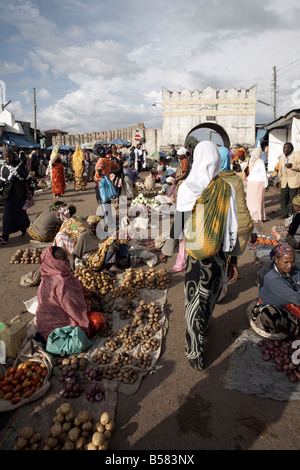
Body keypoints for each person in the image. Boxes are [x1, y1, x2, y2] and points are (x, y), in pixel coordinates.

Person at [176, 141, 238, 370]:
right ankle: (204, 324)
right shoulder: (226, 188)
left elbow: (180, 224)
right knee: (210, 296)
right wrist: (232, 257)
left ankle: (195, 353)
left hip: (195, 254)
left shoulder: (188, 187)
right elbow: (232, 224)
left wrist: (173, 248)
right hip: (218, 254)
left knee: (193, 301)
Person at [36, 246, 106, 342]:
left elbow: (79, 289)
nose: (68, 261)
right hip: (59, 332)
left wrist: (91, 293)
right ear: (55, 263)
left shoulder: (48, 276)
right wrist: (91, 306)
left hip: (44, 326)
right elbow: (75, 309)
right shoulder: (62, 283)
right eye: (63, 260)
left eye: (67, 258)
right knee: (98, 320)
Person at [219, 146, 255, 283]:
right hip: (238, 225)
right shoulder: (236, 179)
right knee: (230, 258)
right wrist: (252, 227)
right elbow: (242, 206)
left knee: (219, 261)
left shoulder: (212, 180)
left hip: (221, 227)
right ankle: (230, 269)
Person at [250, 243, 300, 340]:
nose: (290, 265)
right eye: (286, 262)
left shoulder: (294, 270)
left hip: (292, 303)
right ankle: (295, 335)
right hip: (278, 308)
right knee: (269, 315)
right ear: (276, 260)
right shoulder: (272, 279)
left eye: (292, 262)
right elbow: (297, 298)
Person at [0, 147, 33, 244]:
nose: (8, 159)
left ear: (13, 155)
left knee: (20, 212)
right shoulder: (3, 166)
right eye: (6, 157)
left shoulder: (19, 165)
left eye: (9, 156)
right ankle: (5, 236)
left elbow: (26, 178)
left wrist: (28, 193)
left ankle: (24, 230)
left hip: (19, 192)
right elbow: (2, 180)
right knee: (7, 213)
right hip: (8, 193)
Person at [245, 147, 269, 223]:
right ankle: (258, 218)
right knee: (259, 201)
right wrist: (266, 184)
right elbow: (263, 173)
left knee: (251, 201)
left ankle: (251, 216)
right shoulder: (260, 162)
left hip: (251, 182)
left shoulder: (250, 161)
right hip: (259, 182)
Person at [278, 142, 300, 218]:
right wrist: (279, 180)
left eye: (285, 148)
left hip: (294, 181)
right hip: (284, 181)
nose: (283, 149)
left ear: (290, 148)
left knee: (293, 200)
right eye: (283, 148)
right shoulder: (282, 157)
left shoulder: (297, 156)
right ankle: (284, 214)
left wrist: (292, 166)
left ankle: (294, 215)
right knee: (283, 199)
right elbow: (280, 170)